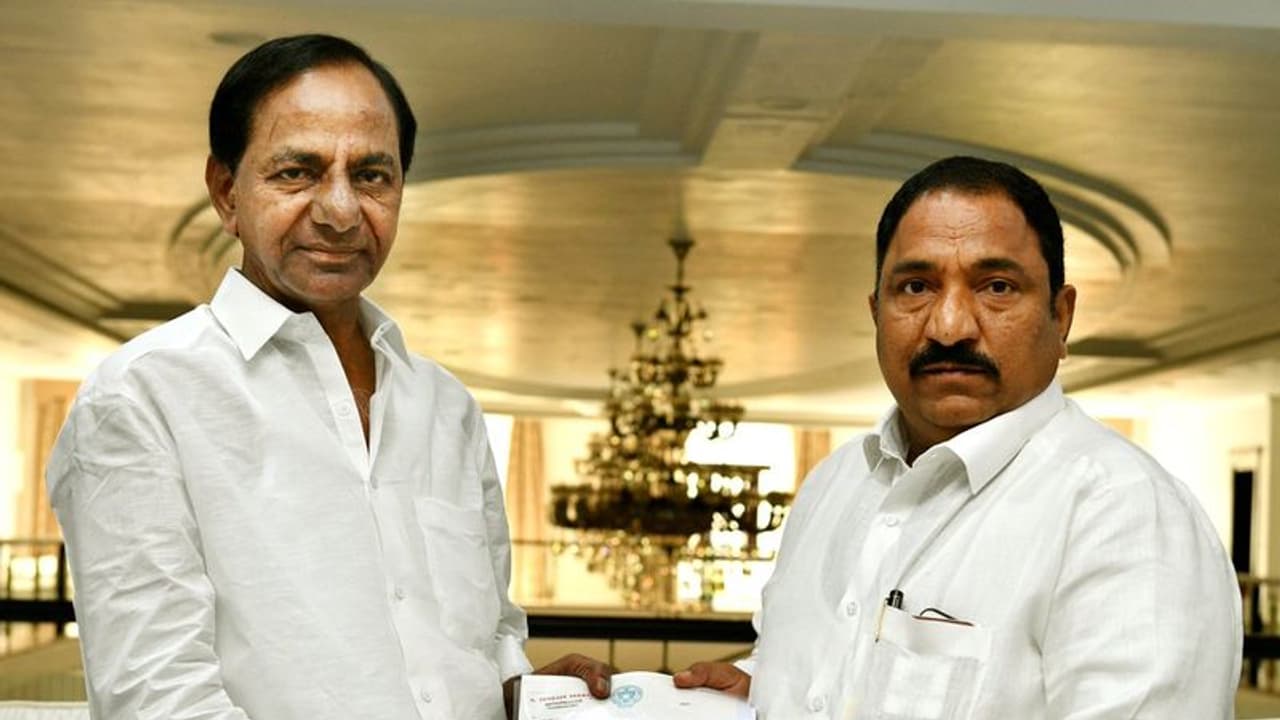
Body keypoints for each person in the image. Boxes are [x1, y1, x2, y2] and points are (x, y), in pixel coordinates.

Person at [46, 34, 609, 720]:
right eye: (297, 172)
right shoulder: (142, 397)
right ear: (226, 192)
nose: (341, 211)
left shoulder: (447, 406)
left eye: (371, 175)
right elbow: (157, 699)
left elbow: (480, 646)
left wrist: (532, 696)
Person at [674, 156, 1241, 718]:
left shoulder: (1123, 513)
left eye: (997, 286)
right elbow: (832, 674)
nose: (949, 327)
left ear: (1061, 317)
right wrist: (756, 691)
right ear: (877, 313)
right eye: (916, 286)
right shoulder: (835, 482)